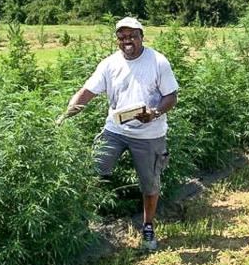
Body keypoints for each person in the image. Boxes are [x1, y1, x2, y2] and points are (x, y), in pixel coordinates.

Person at [57, 16, 179, 251]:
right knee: (92, 172)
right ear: (117, 40)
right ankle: (82, 225)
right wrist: (65, 115)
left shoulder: (158, 62)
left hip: (149, 134)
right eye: (122, 37)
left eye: (132, 35)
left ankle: (148, 228)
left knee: (150, 183)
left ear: (142, 36)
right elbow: (86, 93)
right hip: (115, 130)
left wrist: (154, 113)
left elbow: (171, 97)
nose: (127, 40)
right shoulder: (109, 65)